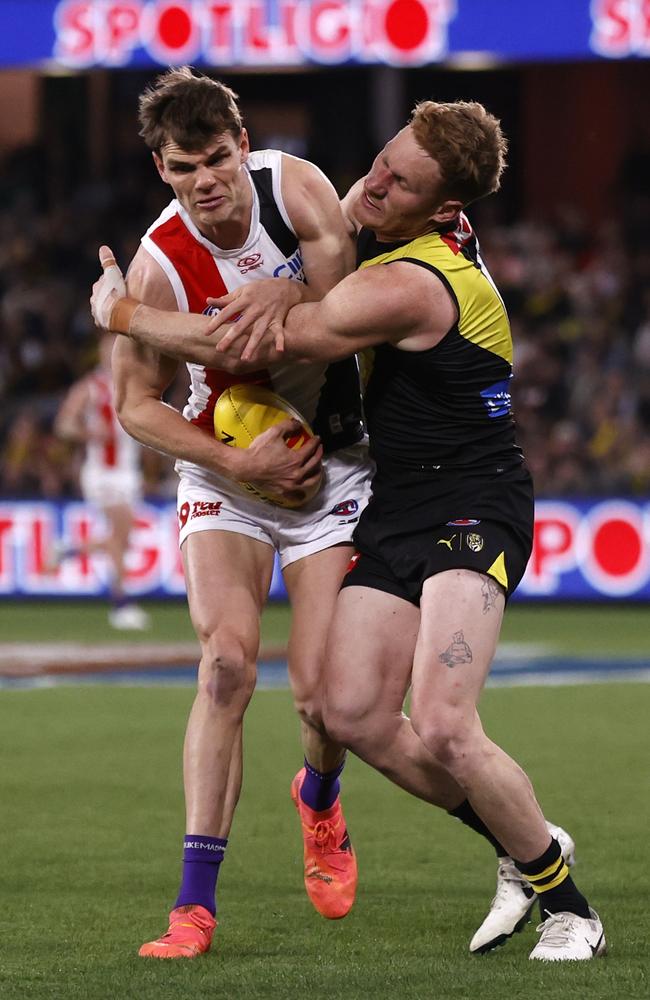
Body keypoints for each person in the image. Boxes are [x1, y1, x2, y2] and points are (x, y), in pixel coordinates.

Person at [91, 92, 595, 960]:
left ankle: (537, 883)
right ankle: (194, 907)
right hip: (273, 475)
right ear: (161, 172)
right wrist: (238, 458)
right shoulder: (171, 256)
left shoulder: (336, 218)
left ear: (243, 146)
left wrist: (125, 317)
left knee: (383, 711)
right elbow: (136, 403)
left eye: (398, 180)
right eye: (384, 157)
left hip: (393, 486)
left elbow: (295, 337)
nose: (375, 181)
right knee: (257, 677)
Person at [52, 332, 150, 630]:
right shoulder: (90, 387)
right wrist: (89, 434)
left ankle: (68, 550)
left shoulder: (132, 382)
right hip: (102, 473)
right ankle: (121, 605)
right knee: (120, 535)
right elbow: (64, 424)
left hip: (127, 471)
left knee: (123, 539)